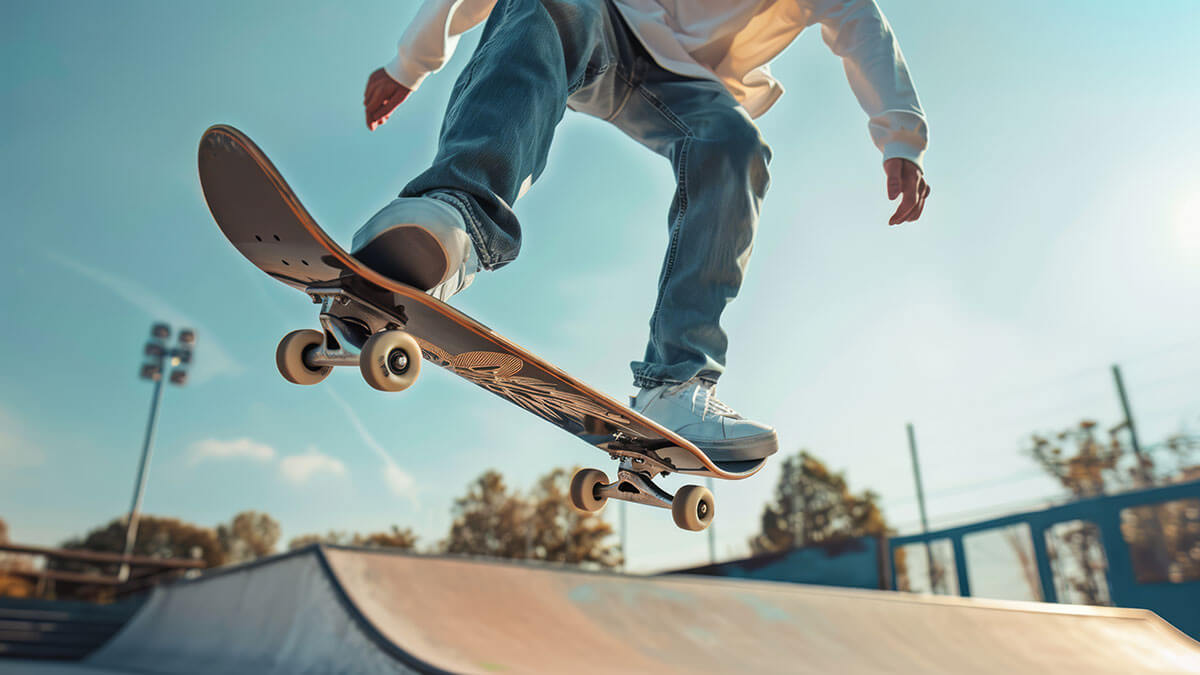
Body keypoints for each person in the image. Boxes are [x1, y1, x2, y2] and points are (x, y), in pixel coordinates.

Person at [354, 0, 930, 463]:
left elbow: (861, 24)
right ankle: (456, 217)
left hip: (687, 81)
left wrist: (900, 134)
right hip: (598, 18)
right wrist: (413, 61)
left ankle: (674, 384)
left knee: (733, 146)